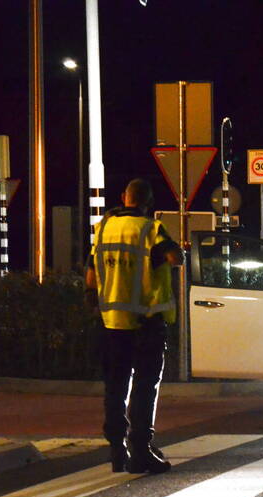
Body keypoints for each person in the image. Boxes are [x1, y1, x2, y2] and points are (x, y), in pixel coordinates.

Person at [85, 178, 184, 474]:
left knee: (115, 386)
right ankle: (141, 449)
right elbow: (175, 257)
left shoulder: (104, 228)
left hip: (111, 321)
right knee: (144, 385)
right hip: (145, 322)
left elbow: (90, 274)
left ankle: (117, 450)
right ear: (148, 202)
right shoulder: (151, 229)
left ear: (123, 197)